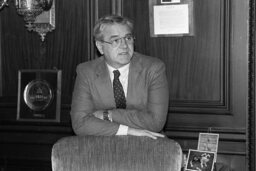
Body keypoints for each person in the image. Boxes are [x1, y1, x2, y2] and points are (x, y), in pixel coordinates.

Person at [70, 14, 169, 139]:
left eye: (128, 38)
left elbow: (155, 122)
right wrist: (128, 130)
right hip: (101, 147)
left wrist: (108, 115)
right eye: (115, 40)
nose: (124, 46)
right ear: (100, 46)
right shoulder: (86, 72)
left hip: (147, 144)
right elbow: (80, 124)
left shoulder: (153, 68)